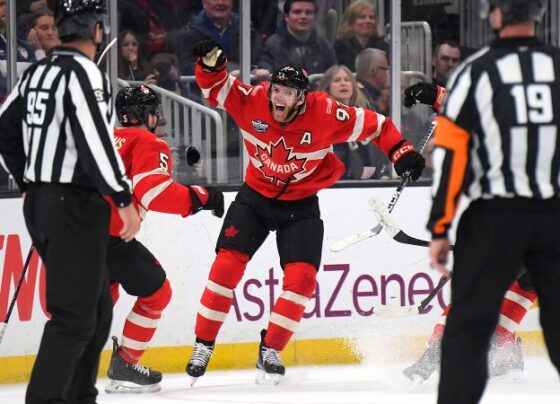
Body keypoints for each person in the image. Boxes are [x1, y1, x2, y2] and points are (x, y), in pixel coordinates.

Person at [185, 38, 425, 385]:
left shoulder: (326, 112)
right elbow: (216, 86)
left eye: (287, 92)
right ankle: (203, 344)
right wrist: (210, 66)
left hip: (300, 203)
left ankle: (271, 348)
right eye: (275, 89)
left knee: (301, 280)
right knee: (225, 267)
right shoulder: (253, 101)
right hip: (254, 198)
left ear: (302, 96)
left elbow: (377, 126)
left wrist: (401, 152)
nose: (278, 97)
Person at [0, 1, 141, 403]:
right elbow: (95, 141)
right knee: (76, 316)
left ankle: (79, 396)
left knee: (96, 313)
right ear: (97, 31)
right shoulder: (84, 73)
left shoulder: (38, 72)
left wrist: (29, 181)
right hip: (73, 206)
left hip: (45, 205)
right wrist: (122, 197)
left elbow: (4, 128)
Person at [427, 1, 559, 403]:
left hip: (494, 217)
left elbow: (451, 156)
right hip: (554, 215)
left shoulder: (476, 71)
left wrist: (440, 227)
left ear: (497, 14)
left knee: (467, 333)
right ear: (537, 15)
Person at [104, 84, 224, 393]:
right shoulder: (147, 141)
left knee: (97, 305)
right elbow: (154, 193)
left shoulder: (102, 138)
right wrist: (202, 196)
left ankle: (67, 371)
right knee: (157, 292)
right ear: (148, 115)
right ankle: (126, 364)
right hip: (111, 238)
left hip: (75, 236)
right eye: (155, 111)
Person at [317, 64, 385, 180]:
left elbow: (376, 155)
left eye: (347, 80)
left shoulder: (365, 117)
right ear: (327, 88)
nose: (343, 83)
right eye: (337, 80)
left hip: (367, 184)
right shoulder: (319, 120)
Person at [255, 0, 337, 76]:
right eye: (297, 12)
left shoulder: (324, 45)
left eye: (308, 12)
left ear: (315, 17)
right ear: (286, 16)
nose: (303, 16)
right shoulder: (272, 45)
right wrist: (263, 70)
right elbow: (264, 63)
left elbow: (334, 72)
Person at [333, 0, 388, 72]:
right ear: (351, 21)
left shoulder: (383, 46)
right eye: (362, 17)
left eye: (371, 17)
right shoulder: (339, 47)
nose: (368, 21)